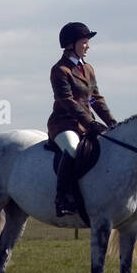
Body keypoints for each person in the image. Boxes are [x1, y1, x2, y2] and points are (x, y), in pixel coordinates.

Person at [47, 22, 117, 216]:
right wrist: (90, 122)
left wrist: (111, 122)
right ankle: (62, 198)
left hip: (85, 125)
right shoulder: (60, 70)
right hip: (64, 124)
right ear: (71, 44)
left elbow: (94, 97)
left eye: (88, 42)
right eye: (84, 42)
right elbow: (67, 101)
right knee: (72, 149)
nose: (88, 46)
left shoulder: (88, 69)